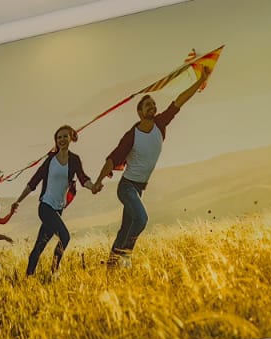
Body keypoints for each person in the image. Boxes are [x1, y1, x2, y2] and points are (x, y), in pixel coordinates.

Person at [91, 55, 215, 266]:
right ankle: (125, 257)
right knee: (141, 219)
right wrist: (98, 182)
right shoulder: (132, 135)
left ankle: (111, 266)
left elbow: (180, 100)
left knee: (126, 228)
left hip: (138, 189)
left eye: (153, 104)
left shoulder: (160, 123)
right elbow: (112, 159)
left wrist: (200, 80)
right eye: (147, 105)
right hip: (126, 187)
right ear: (139, 112)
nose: (152, 107)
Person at [13, 125, 94, 279]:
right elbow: (34, 182)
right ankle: (54, 272)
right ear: (56, 141)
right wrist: (18, 201)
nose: (62, 139)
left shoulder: (74, 160)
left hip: (58, 209)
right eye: (59, 137)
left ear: (70, 138)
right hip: (45, 207)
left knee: (40, 244)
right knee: (65, 236)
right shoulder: (50, 160)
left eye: (65, 136)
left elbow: (83, 179)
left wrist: (94, 187)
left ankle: (28, 276)